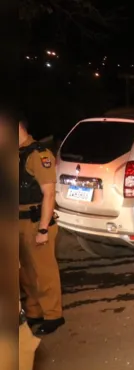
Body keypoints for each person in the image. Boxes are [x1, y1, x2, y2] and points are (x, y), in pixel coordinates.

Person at [19, 119, 65, 335]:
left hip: (36, 221)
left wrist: (43, 229)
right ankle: (34, 312)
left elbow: (49, 193)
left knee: (44, 272)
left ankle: (53, 315)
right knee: (26, 273)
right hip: (17, 221)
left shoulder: (39, 154)